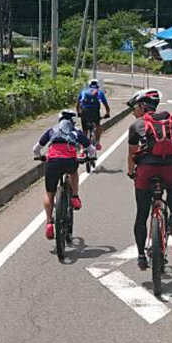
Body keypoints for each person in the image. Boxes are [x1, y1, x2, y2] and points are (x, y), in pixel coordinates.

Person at [125, 88, 172, 271]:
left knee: (141, 215)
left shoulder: (136, 126)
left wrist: (131, 172)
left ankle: (140, 257)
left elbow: (132, 154)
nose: (133, 111)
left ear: (143, 106)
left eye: (135, 107)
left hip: (146, 171)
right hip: (169, 168)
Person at [33, 109, 91, 241]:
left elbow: (35, 149)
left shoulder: (52, 130)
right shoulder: (76, 131)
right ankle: (75, 197)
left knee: (49, 193)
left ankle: (49, 222)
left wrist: (40, 157)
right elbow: (90, 149)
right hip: (70, 162)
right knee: (73, 172)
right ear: (73, 121)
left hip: (53, 163)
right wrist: (90, 158)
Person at [76, 79, 110, 157]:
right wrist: (107, 114)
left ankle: (81, 150)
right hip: (95, 112)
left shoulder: (83, 92)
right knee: (97, 126)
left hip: (85, 112)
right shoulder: (99, 92)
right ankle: (97, 142)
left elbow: (77, 105)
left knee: (84, 131)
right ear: (97, 85)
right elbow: (106, 106)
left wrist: (79, 113)